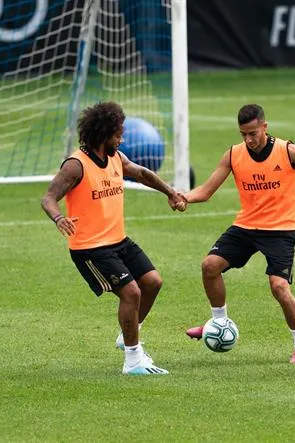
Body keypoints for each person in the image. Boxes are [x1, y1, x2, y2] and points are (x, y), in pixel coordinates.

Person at [40, 101, 187, 376]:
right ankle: (133, 361)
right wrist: (59, 218)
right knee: (131, 293)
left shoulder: (116, 158)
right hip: (90, 248)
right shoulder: (76, 165)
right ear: (103, 133)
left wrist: (169, 192)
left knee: (153, 282)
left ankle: (128, 333)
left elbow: (141, 174)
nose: (122, 139)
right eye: (118, 134)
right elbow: (48, 197)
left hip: (118, 241)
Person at [183, 104, 295, 364]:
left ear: (264, 127)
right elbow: (206, 190)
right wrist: (184, 198)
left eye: (253, 133)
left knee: (279, 286)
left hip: (280, 230)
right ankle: (218, 322)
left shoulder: (287, 151)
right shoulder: (233, 155)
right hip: (246, 227)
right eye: (243, 134)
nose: (248, 140)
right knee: (209, 265)